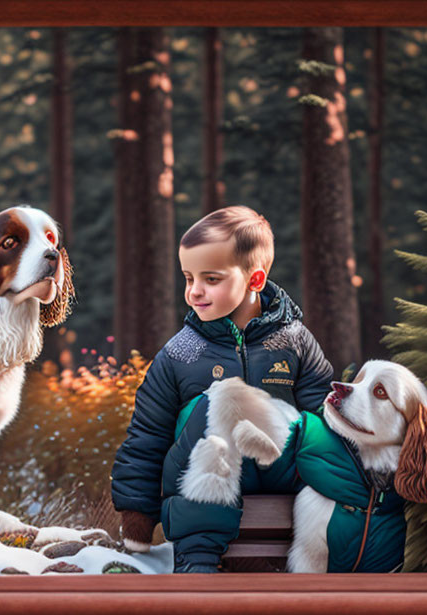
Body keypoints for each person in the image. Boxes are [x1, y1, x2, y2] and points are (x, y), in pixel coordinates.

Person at [111, 205, 334, 572]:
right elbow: (147, 435)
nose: (194, 292)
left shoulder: (294, 341)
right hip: (209, 479)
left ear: (255, 281)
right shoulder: (180, 354)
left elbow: (324, 418)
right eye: (188, 278)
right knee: (216, 405)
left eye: (210, 279)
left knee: (314, 428)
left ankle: (323, 559)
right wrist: (137, 513)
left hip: (281, 467)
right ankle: (198, 559)